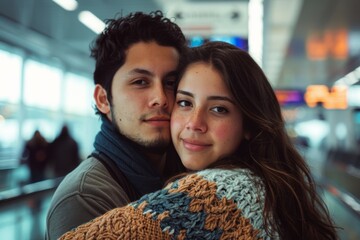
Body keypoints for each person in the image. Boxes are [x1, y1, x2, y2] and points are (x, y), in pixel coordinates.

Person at [60, 42, 338, 239]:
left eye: (219, 109)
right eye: (184, 102)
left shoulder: (218, 193)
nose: (195, 123)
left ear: (249, 125)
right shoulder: (271, 186)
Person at [45, 11, 186, 239]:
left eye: (170, 82)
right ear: (103, 99)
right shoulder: (84, 197)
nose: (161, 98)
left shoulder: (186, 174)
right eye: (140, 82)